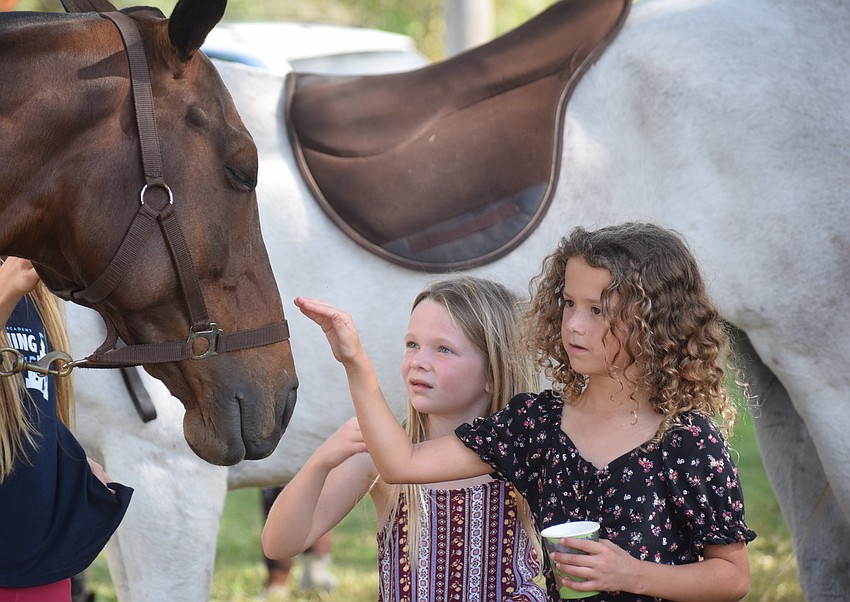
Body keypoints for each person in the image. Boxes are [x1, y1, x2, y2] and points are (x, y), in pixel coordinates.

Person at [296, 222, 757, 602]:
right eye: (569, 303)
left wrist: (631, 574)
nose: (574, 324)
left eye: (598, 310)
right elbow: (402, 464)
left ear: (655, 323)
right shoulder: (537, 425)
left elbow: (732, 577)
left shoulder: (687, 441)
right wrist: (354, 361)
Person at [263, 276, 547, 601]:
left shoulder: (526, 451)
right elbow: (278, 544)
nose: (419, 361)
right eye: (412, 344)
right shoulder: (382, 457)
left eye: (444, 349)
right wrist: (321, 461)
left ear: (493, 374)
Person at [1, 257, 132, 602]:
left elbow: (31, 397)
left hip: (39, 555)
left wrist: (69, 457)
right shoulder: (13, 281)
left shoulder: (36, 291)